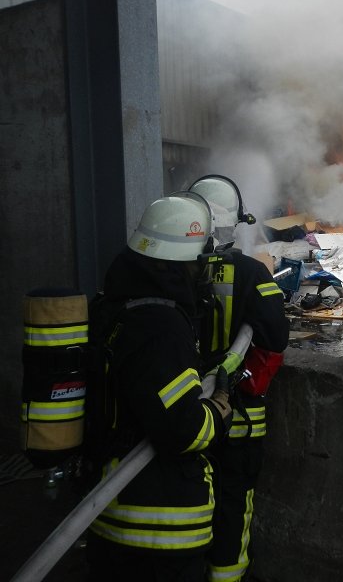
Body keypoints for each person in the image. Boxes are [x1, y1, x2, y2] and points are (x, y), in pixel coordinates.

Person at [85, 192, 233, 582]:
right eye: (200, 263)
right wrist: (218, 413)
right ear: (183, 263)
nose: (203, 275)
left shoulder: (114, 306)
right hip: (160, 526)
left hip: (111, 510)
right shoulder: (160, 326)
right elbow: (184, 430)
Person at [188, 175, 289, 582]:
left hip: (184, 414)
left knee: (189, 502)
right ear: (233, 222)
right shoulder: (250, 272)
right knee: (232, 507)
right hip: (238, 419)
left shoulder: (176, 270)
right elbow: (276, 336)